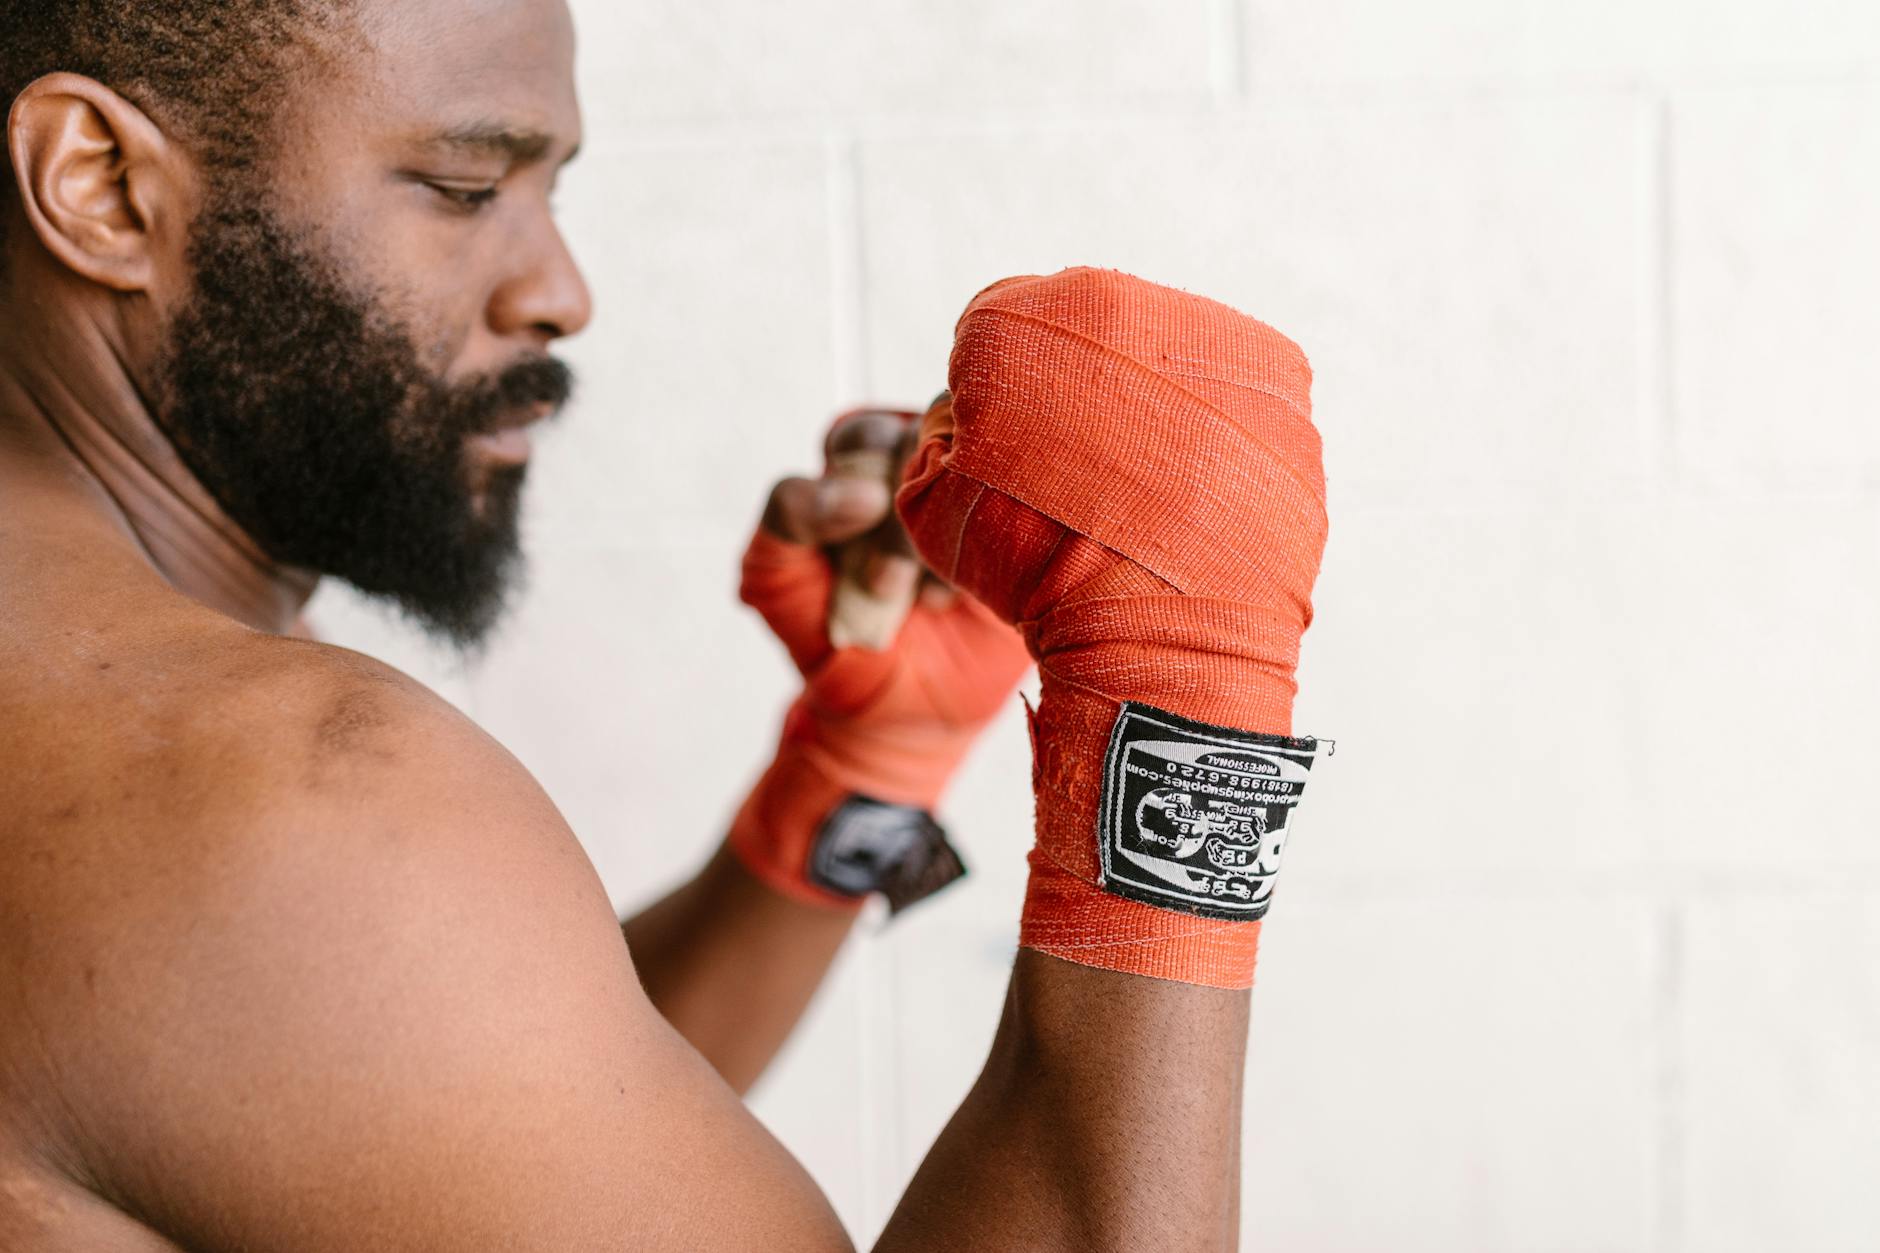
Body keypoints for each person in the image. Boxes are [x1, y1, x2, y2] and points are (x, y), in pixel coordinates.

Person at [0, 2, 1330, 1249]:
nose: (561, 291)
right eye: (465, 188)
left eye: (550, 190)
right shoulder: (277, 809)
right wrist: (1180, 678)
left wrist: (854, 778)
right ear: (99, 185)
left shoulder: (126, 773)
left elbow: (465, 1129)